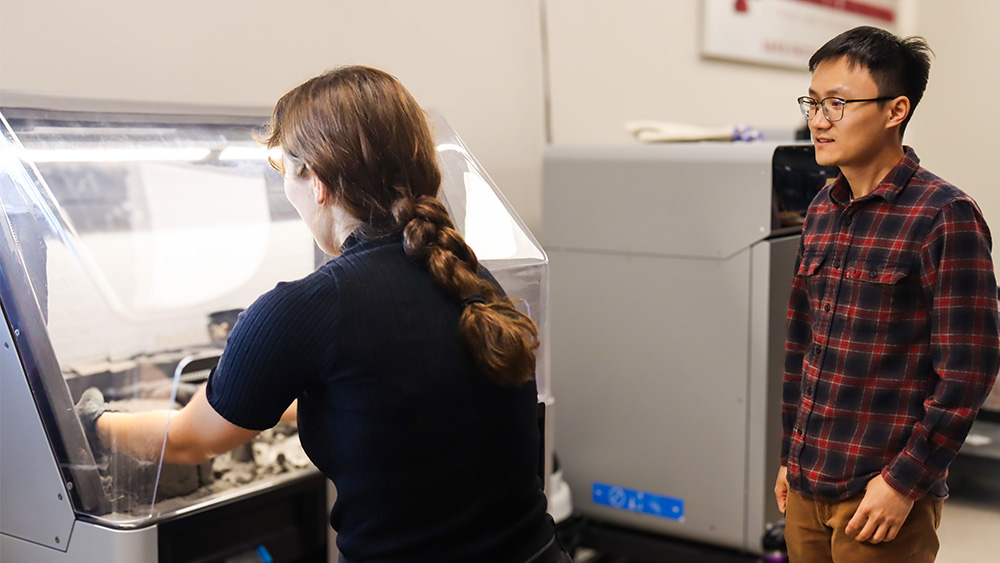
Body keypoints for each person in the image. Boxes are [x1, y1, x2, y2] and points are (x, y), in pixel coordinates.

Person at [78, 65, 571, 563]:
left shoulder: (307, 307)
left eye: (287, 174)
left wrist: (91, 421)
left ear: (314, 179)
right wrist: (263, 399)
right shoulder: (467, 276)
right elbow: (389, 399)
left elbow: (190, 441)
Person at [774, 26, 1000, 562]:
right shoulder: (821, 210)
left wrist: (904, 482)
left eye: (837, 103)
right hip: (807, 483)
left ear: (895, 110)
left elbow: (970, 370)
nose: (818, 120)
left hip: (880, 494)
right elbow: (802, 348)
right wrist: (789, 455)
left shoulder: (944, 215)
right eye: (813, 101)